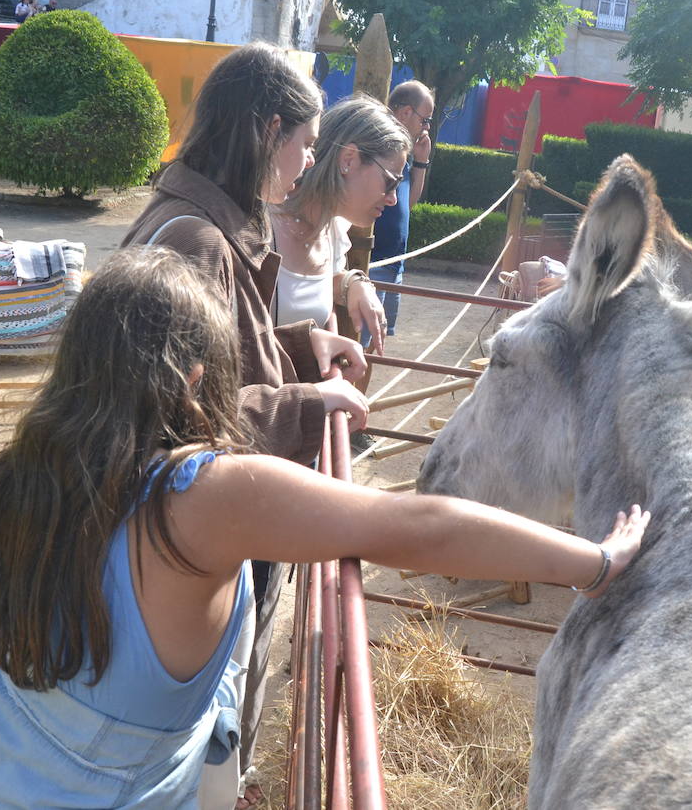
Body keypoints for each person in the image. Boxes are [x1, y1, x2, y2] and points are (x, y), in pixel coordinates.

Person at [0, 247, 650, 808]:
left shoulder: (15, 481)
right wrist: (593, 561)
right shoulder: (207, 498)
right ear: (197, 379)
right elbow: (416, 527)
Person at [118, 42, 368, 808]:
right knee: (196, 735)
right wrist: (309, 402)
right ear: (269, 131)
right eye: (304, 143)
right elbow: (179, 412)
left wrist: (300, 346)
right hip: (184, 537)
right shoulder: (196, 241)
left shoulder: (198, 224)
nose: (306, 163)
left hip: (180, 530)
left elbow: (218, 361)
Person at [272, 95, 411, 353]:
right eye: (391, 181)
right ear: (348, 159)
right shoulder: (264, 226)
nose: (393, 199)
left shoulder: (332, 227)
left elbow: (315, 293)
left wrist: (353, 283)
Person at [368, 80, 435, 338]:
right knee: (362, 340)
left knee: (378, 341)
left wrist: (420, 162)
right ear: (406, 112)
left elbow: (408, 203)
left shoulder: (402, 148)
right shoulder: (382, 145)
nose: (427, 127)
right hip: (374, 261)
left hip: (394, 264)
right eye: (425, 119)